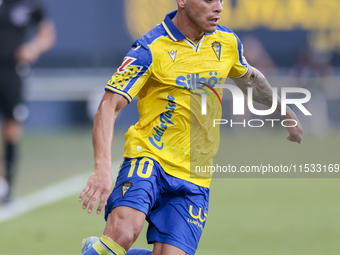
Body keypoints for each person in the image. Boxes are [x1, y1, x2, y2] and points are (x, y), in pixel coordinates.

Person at [79, 0, 303, 254]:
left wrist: (285, 112)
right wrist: (101, 169)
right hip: (149, 158)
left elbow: (249, 78)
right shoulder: (151, 47)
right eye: (209, 0)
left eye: (220, 0)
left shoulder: (226, 42)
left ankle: (95, 250)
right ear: (182, 1)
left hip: (195, 174)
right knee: (124, 232)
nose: (218, 7)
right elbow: (108, 106)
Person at [0, 0, 56, 203]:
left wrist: (33, 48)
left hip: (12, 70)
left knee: (12, 125)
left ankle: (7, 186)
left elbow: (47, 34)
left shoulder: (31, 5)